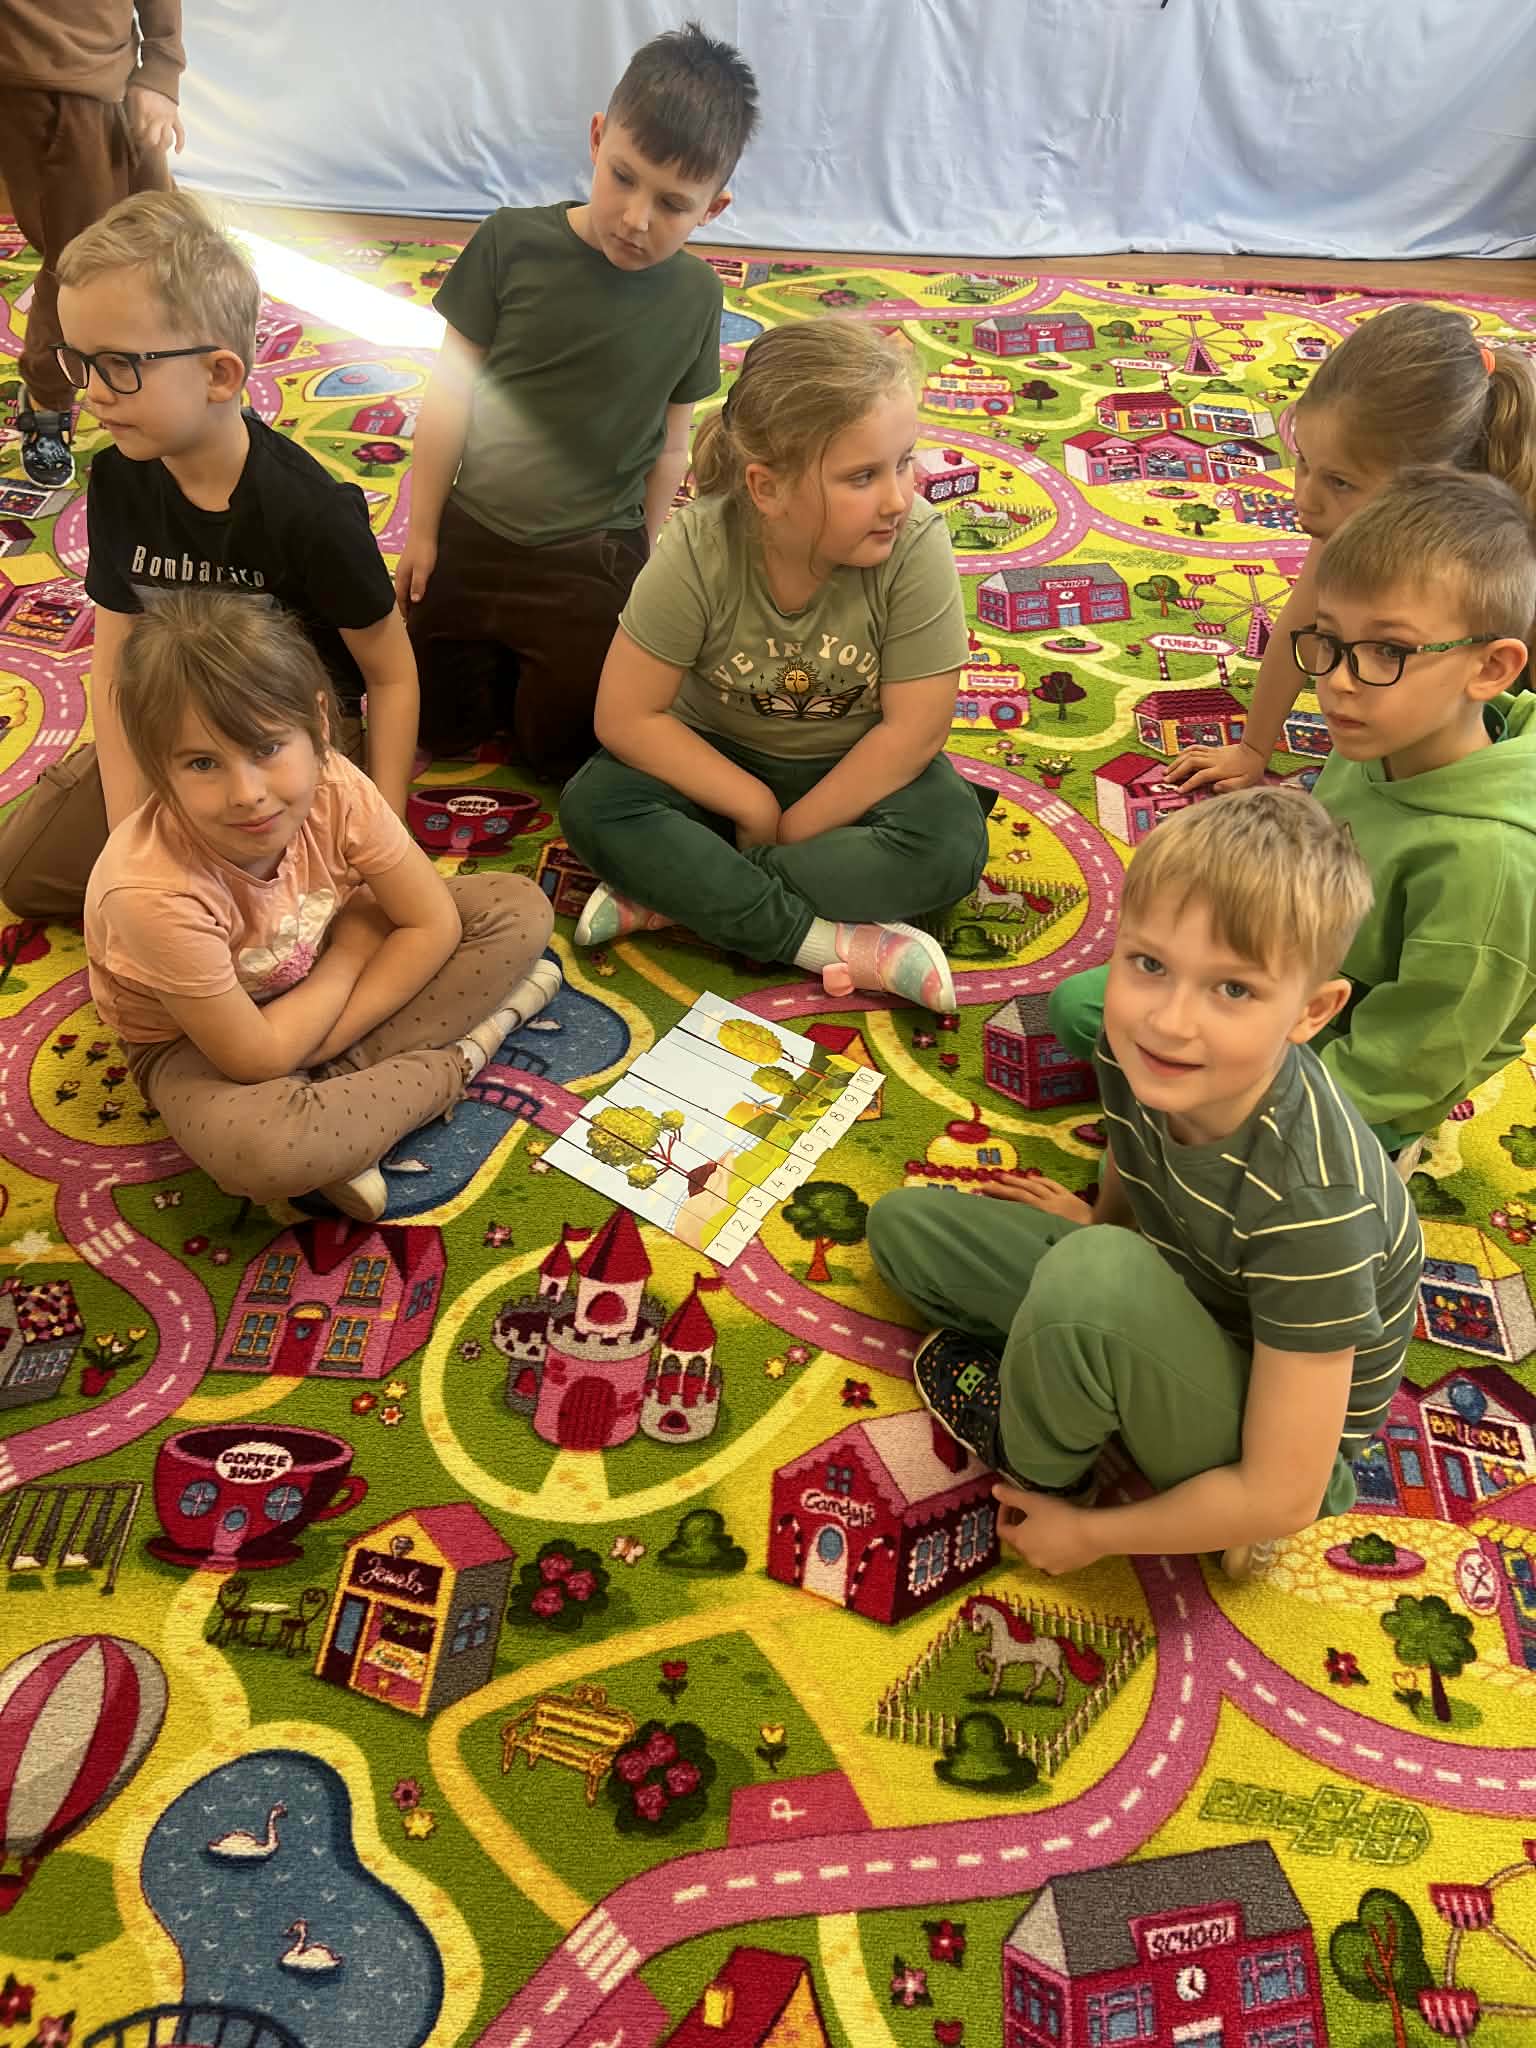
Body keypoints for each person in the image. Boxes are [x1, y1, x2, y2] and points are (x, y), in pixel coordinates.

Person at [867, 787, 1424, 1584]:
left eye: (1233, 988)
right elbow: (1133, 1155)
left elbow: (1287, 1490)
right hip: (1185, 1285)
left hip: (1273, 1437)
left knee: (1091, 1277)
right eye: (1150, 964)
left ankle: (1047, 1468)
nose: (1169, 1019)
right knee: (905, 1230)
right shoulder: (1138, 1043)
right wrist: (1099, 1219)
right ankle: (1093, 1360)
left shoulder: (1317, 1208)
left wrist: (1094, 1535)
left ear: (1312, 1012)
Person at [1051, 469, 1536, 1156]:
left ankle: (1366, 1153)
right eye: (1328, 640)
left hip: (1366, 1067)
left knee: (1192, 1144)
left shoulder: (1493, 860)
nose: (1336, 681)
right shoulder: (1385, 728)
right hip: (1293, 980)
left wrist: (1235, 1106)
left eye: (1388, 651)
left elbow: (1417, 1056)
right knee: (1085, 1010)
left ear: (1490, 669)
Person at [0, 189, 421, 920]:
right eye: (81, 362)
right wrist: (128, 832)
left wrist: (383, 835)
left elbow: (390, 677)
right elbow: (114, 663)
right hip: (173, 723)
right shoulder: (119, 479)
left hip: (285, 740)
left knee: (271, 907)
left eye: (119, 365)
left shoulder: (310, 514)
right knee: (25, 876)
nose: (91, 394)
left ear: (221, 375)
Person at [83, 594, 557, 1221]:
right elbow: (253, 1058)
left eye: (266, 747)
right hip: (193, 1039)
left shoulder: (335, 783)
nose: (247, 794)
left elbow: (432, 921)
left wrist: (311, 1044)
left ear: (319, 726)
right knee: (264, 1152)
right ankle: (469, 1052)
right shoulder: (149, 892)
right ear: (158, 770)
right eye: (202, 763)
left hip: (315, 976)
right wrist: (352, 954)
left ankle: (343, 1105)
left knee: (518, 908)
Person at [559, 320, 988, 1013]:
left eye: (904, 462)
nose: (897, 498)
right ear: (767, 488)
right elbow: (627, 716)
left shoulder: (915, 542)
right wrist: (752, 804)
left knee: (950, 848)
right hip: (714, 761)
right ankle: (818, 940)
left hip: (856, 770)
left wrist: (791, 827)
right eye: (863, 476)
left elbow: (913, 733)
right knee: (595, 807)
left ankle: (683, 893)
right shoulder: (699, 544)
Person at [396, 20, 759, 777]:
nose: (635, 219)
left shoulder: (697, 296)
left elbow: (672, 443)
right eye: (623, 177)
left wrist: (644, 565)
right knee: (433, 723)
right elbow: (447, 401)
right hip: (476, 527)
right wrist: (423, 530)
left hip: (592, 550)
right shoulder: (509, 243)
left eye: (672, 204)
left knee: (560, 755)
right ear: (597, 139)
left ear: (714, 208)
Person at [1170, 302, 1536, 795]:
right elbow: (1300, 623)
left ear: (1431, 486)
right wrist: (1253, 749)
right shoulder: (1353, 526)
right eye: (1304, 462)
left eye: (1340, 482)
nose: (1304, 499)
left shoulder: (1510, 557)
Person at [0, 0, 184, 489]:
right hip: (33, 78)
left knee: (162, 241)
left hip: (118, 68)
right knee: (80, 261)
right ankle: (47, 397)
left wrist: (160, 70)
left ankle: (174, 382)